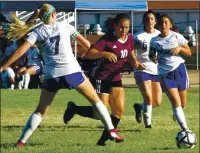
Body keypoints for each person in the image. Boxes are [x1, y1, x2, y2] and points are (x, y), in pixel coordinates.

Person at [0, 3, 124, 147]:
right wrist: (84, 51)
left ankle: (21, 142)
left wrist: (3, 65)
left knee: (40, 111)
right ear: (54, 14)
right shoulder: (66, 26)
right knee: (96, 101)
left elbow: (20, 51)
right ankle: (111, 130)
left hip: (52, 75)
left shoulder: (36, 32)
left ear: (40, 16)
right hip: (72, 71)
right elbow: (86, 44)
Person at [63, 13, 145, 146]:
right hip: (102, 77)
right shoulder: (107, 39)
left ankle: (102, 141)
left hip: (116, 77)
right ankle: (74, 109)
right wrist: (104, 53)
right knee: (99, 113)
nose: (124, 31)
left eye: (127, 28)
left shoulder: (129, 38)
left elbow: (130, 51)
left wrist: (135, 62)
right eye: (121, 27)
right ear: (115, 26)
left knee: (118, 112)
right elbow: (89, 54)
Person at [149, 14, 192, 132]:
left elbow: (188, 52)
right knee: (175, 101)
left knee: (182, 103)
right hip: (164, 73)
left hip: (179, 69)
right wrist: (154, 58)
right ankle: (185, 130)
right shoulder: (154, 40)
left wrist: (180, 49)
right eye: (161, 22)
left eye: (166, 22)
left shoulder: (176, 36)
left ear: (170, 25)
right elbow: (151, 55)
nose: (163, 24)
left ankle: (178, 113)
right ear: (158, 25)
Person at [132, 10, 162, 128]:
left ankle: (140, 107)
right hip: (142, 69)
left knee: (157, 102)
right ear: (144, 21)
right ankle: (148, 125)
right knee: (148, 97)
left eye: (152, 19)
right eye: (147, 19)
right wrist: (135, 62)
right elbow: (130, 51)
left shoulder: (160, 35)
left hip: (156, 70)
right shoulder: (138, 36)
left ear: (155, 21)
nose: (150, 21)